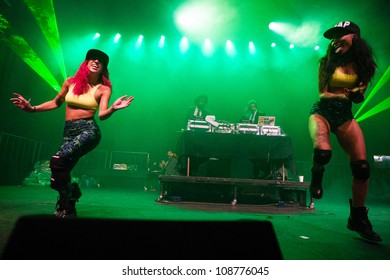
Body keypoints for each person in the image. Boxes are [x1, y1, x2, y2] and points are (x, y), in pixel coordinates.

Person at [10, 49, 134, 218]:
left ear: (103, 68)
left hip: (88, 130)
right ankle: (67, 206)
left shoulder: (103, 89)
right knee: (62, 171)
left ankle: (72, 193)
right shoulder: (70, 82)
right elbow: (55, 102)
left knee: (56, 161)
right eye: (92, 59)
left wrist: (113, 108)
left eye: (100, 61)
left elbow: (102, 115)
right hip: (69, 131)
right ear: (86, 62)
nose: (96, 61)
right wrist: (32, 109)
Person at [308, 21, 381, 241]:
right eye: (333, 37)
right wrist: (348, 94)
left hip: (345, 116)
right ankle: (317, 175)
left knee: (362, 168)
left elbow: (360, 93)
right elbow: (323, 94)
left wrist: (358, 94)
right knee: (323, 152)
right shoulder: (326, 63)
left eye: (341, 35)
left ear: (354, 38)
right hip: (322, 112)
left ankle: (357, 217)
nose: (335, 40)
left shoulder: (366, 65)